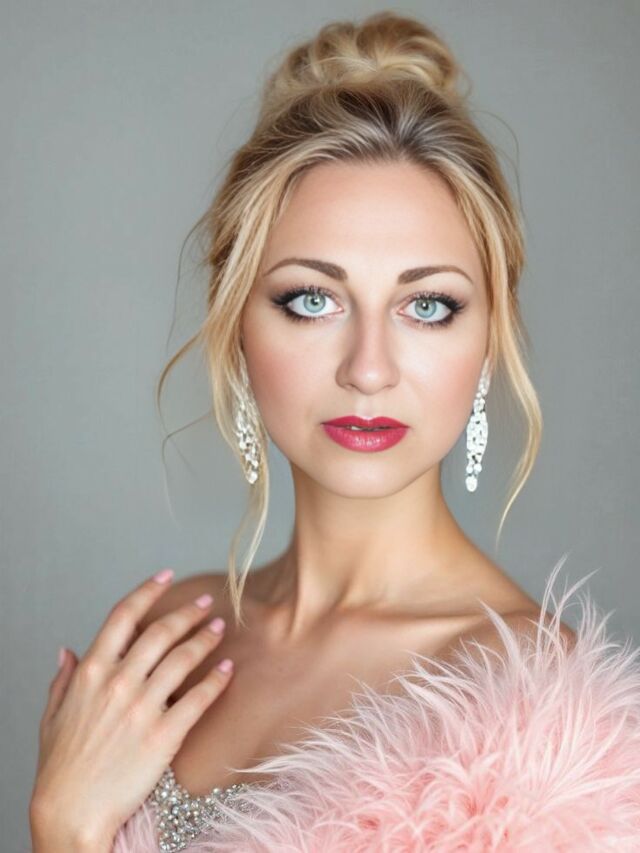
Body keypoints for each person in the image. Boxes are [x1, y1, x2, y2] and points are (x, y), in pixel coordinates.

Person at [29, 11, 640, 852]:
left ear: (489, 339)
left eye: (429, 306)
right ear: (236, 324)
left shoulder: (551, 725)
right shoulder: (161, 644)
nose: (368, 368)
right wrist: (61, 820)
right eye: (312, 299)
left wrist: (65, 833)